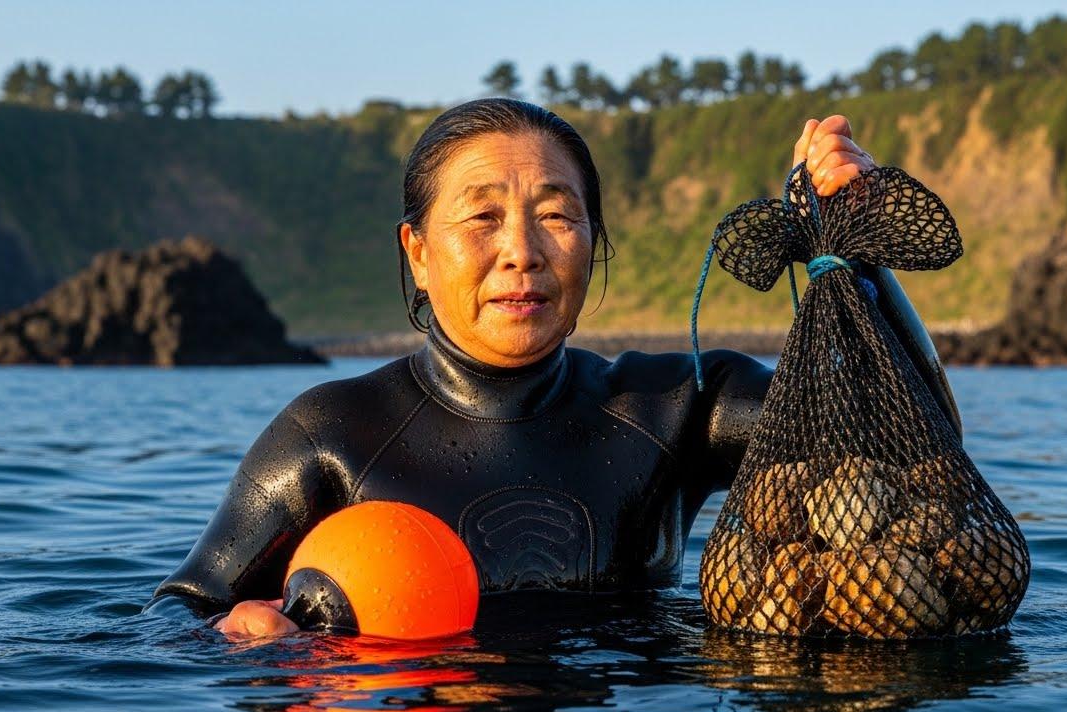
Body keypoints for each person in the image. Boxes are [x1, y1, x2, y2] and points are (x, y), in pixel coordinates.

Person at [149, 98, 951, 640]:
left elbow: (919, 446)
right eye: (482, 217)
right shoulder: (330, 433)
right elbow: (177, 615)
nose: (522, 252)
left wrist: (856, 249)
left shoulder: (678, 405)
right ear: (417, 253)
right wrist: (239, 635)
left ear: (593, 242)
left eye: (557, 215)